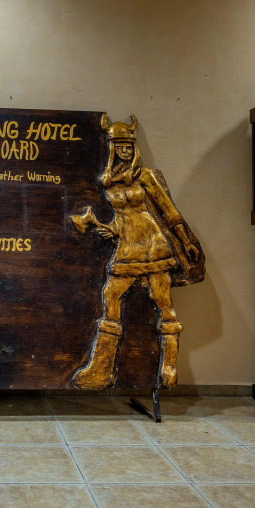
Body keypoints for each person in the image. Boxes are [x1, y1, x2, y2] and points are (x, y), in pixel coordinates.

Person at [70, 115, 204, 390]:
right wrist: (109, 229)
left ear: (135, 147)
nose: (125, 151)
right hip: (128, 245)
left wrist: (185, 240)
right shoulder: (109, 181)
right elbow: (122, 219)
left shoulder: (145, 176)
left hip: (154, 244)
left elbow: (168, 211)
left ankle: (168, 366)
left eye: (129, 146)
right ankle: (101, 369)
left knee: (162, 300)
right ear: (112, 149)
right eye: (120, 146)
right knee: (110, 295)